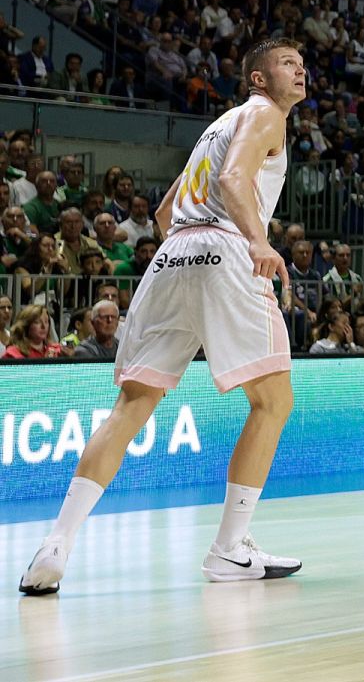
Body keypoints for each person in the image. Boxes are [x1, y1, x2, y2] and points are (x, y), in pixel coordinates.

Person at [21, 36, 308, 595]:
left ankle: (56, 544)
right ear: (257, 79)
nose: (300, 72)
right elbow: (232, 182)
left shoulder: (214, 129)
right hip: (224, 249)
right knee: (274, 401)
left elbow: (162, 210)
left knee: (130, 405)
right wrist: (256, 241)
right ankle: (229, 549)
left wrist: (194, 259)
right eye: (287, 64)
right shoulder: (264, 114)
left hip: (173, 254)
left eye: (302, 64)